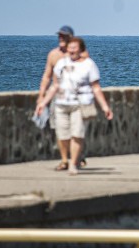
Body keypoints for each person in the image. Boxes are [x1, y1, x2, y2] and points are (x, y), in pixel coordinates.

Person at [36, 37, 113, 175]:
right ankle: (68, 158)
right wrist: (43, 102)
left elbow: (96, 87)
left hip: (80, 104)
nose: (71, 50)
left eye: (74, 47)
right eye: (69, 47)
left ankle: (73, 163)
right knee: (63, 135)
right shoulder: (60, 64)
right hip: (61, 104)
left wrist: (105, 107)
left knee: (77, 135)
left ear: (81, 49)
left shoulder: (89, 65)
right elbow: (55, 86)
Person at [37, 25, 89, 169]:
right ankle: (65, 160)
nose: (61, 38)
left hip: (76, 98)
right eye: (59, 36)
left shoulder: (81, 55)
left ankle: (77, 156)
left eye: (64, 36)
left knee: (76, 130)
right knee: (60, 129)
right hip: (58, 98)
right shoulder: (53, 55)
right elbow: (46, 77)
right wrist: (41, 96)